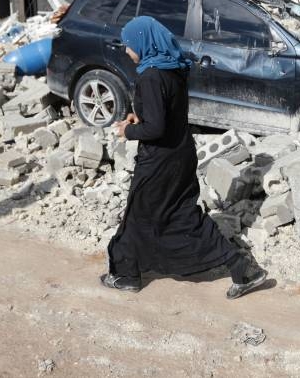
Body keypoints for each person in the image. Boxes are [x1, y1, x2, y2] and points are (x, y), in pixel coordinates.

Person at [101, 16, 268, 299]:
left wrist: (127, 131)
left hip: (160, 162)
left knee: (138, 216)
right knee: (182, 216)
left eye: (130, 45)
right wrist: (138, 117)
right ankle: (243, 269)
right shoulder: (173, 68)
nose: (127, 51)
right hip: (180, 154)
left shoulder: (150, 76)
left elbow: (155, 128)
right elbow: (165, 114)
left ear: (143, 42)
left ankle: (127, 275)